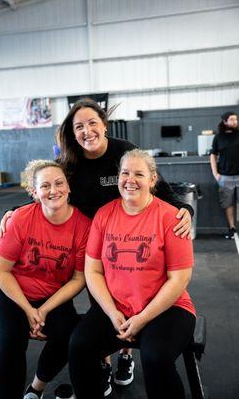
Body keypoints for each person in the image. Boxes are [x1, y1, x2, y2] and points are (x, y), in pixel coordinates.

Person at [0, 98, 194, 396]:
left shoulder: (125, 152)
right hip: (99, 237)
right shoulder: (72, 161)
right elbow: (51, 189)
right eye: (79, 127)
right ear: (72, 133)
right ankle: (102, 367)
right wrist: (15, 211)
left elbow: (160, 189)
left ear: (104, 124)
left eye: (92, 123)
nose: (87, 131)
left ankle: (125, 359)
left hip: (140, 236)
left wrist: (184, 210)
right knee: (95, 321)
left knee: (148, 340)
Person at [69, 149, 196, 399]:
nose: (130, 179)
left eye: (139, 174)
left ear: (152, 179)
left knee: (155, 357)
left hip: (166, 309)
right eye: (125, 173)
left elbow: (179, 278)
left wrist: (142, 318)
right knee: (79, 346)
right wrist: (111, 312)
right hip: (117, 307)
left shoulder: (171, 217)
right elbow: (92, 270)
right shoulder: (104, 215)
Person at [0, 160, 91, 399]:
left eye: (59, 183)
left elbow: (78, 278)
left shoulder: (83, 226)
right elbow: (0, 270)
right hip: (11, 291)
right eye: (45, 186)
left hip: (51, 295)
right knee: (12, 339)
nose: (53, 190)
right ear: (34, 193)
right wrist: (27, 309)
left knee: (69, 335)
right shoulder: (21, 218)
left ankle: (35, 390)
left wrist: (43, 310)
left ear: (68, 187)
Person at [210, 111, 239, 239]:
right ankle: (232, 228)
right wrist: (215, 173)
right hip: (225, 176)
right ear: (225, 121)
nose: (235, 122)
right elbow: (213, 156)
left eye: (236, 120)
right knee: (227, 204)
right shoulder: (218, 137)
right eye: (232, 120)